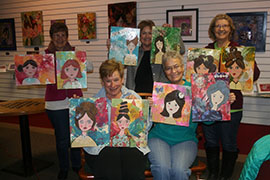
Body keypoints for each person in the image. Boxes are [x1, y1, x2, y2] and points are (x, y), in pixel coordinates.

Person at [203, 14, 260, 180]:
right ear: (213, 30)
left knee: (228, 143)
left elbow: (254, 75)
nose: (221, 29)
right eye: (217, 26)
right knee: (211, 141)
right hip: (209, 104)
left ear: (230, 29)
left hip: (233, 105)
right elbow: (196, 78)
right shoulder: (206, 50)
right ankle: (213, 173)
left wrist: (248, 61)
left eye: (225, 26)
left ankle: (225, 176)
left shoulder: (238, 49)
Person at [83, 59, 150, 180]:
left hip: (130, 144)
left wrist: (136, 109)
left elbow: (146, 126)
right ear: (102, 82)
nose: (113, 85)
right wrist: (79, 109)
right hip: (103, 147)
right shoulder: (94, 102)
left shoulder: (133, 96)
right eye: (108, 81)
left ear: (122, 79)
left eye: (116, 80)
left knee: (131, 161)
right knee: (110, 157)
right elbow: (86, 132)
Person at [45, 22, 93, 180]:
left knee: (77, 135)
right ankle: (64, 167)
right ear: (51, 37)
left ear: (67, 37)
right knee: (62, 138)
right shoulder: (45, 56)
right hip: (55, 103)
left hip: (75, 101)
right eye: (57, 35)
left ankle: (76, 164)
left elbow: (90, 67)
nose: (60, 38)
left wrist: (83, 62)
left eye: (63, 35)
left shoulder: (74, 53)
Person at [148, 51, 200, 180]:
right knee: (162, 168)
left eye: (176, 66)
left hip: (185, 139)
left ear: (183, 67)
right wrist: (149, 107)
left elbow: (209, 121)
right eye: (168, 68)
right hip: (159, 138)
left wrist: (217, 105)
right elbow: (150, 120)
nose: (173, 71)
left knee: (179, 171)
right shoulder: (161, 90)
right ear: (165, 71)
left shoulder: (195, 89)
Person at [126, 20, 186, 93]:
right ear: (139, 35)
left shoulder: (163, 51)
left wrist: (172, 33)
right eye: (144, 33)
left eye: (150, 33)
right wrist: (112, 48)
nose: (147, 36)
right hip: (138, 97)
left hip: (159, 96)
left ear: (154, 34)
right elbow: (119, 65)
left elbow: (181, 50)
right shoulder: (132, 52)